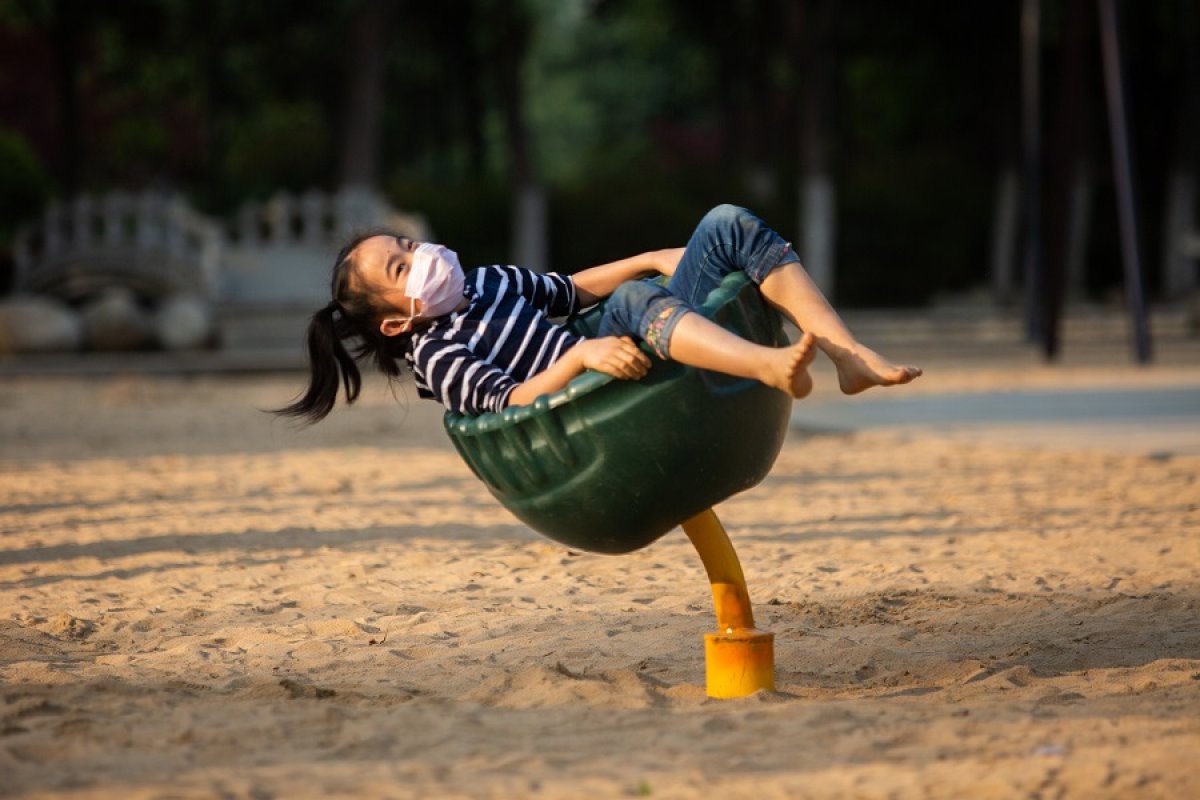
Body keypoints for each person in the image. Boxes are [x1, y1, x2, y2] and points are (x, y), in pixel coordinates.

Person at [276, 204, 921, 423]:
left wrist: (646, 256)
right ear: (395, 321)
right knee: (634, 302)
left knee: (727, 225)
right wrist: (581, 356)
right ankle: (770, 365)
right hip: (594, 392)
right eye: (400, 268)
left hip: (623, 341)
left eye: (408, 246)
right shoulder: (437, 358)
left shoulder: (486, 283)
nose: (419, 257)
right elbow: (510, 400)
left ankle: (847, 357)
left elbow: (569, 290)